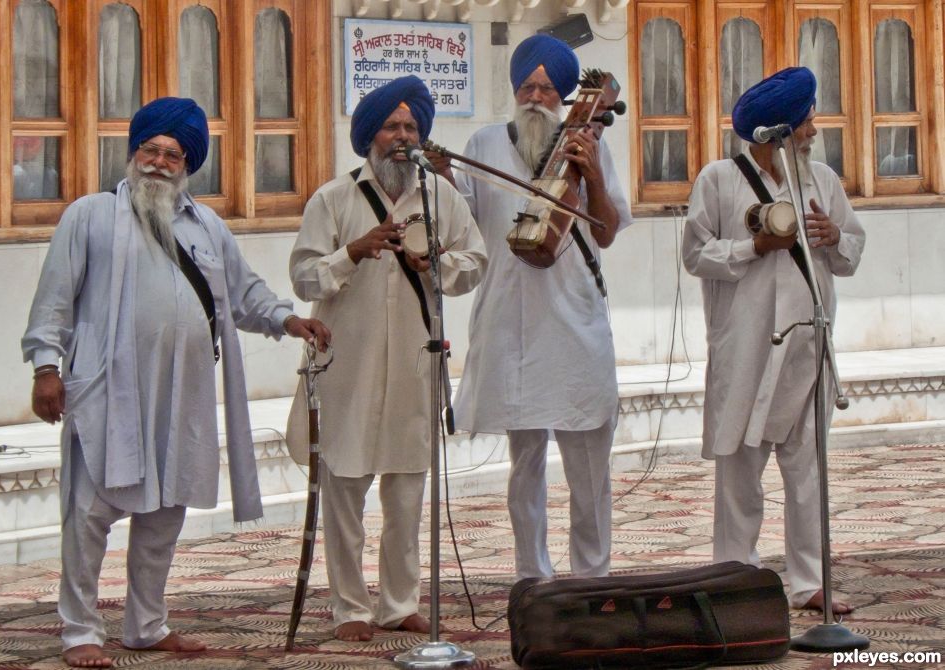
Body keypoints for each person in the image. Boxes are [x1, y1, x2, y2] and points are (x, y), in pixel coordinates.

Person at [21, 97, 331, 668]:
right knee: (88, 515)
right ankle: (79, 632)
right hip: (107, 390)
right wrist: (46, 367)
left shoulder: (206, 225)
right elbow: (54, 301)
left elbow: (244, 294)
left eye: (173, 153)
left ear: (188, 163)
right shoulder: (88, 215)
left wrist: (288, 320)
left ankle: (145, 624)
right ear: (133, 152)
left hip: (183, 391)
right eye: (151, 149)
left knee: (164, 513)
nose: (160, 161)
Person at [289, 76, 485, 642]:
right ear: (369, 135)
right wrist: (352, 251)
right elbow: (303, 275)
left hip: (413, 367)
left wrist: (436, 264)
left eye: (411, 127)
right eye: (391, 126)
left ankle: (400, 604)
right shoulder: (333, 198)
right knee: (344, 494)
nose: (402, 136)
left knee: (406, 494)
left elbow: (475, 263)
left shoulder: (439, 195)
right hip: (347, 366)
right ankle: (350, 608)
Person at [435, 34, 632, 580]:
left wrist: (590, 169)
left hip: (575, 321)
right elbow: (465, 223)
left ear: (565, 97)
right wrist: (445, 176)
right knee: (524, 466)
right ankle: (532, 577)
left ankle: (592, 575)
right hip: (509, 322)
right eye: (527, 86)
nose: (535, 96)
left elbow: (609, 231)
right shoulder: (483, 143)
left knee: (589, 464)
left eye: (547, 89)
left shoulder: (590, 145)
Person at [681, 67, 865, 614]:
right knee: (739, 468)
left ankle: (809, 582)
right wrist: (752, 247)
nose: (814, 127)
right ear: (778, 130)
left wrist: (835, 238)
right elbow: (695, 256)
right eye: (807, 118)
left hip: (808, 347)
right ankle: (736, 577)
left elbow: (852, 248)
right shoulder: (717, 180)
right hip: (746, 348)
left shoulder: (821, 180)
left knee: (807, 468)